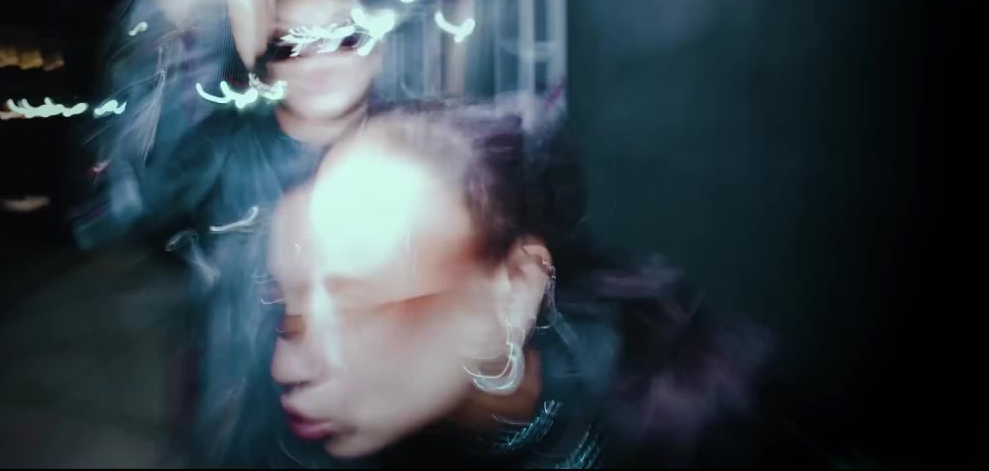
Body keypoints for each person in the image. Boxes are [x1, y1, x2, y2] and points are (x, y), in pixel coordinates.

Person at [205, 102, 772, 468]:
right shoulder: (300, 442)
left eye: (357, 300)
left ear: (514, 290)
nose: (286, 368)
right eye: (286, 297)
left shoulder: (690, 429)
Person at [69, 0, 392, 462]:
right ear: (271, 64)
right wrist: (182, 10)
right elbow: (114, 205)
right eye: (291, 43)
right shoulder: (225, 156)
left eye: (343, 37)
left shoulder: (428, 162)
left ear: (376, 54)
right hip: (239, 440)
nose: (317, 58)